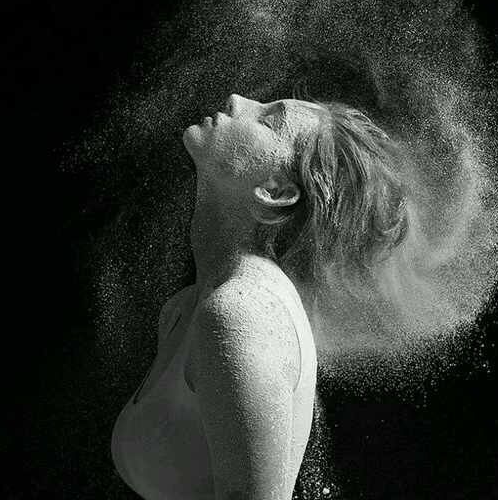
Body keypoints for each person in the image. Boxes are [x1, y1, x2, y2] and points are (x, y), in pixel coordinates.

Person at [111, 92, 409, 500]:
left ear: (274, 190)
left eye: (269, 121)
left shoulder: (239, 317)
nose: (237, 100)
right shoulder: (182, 309)